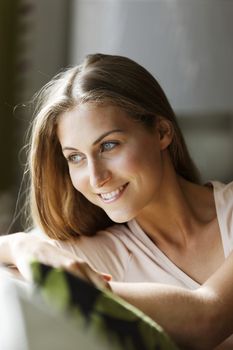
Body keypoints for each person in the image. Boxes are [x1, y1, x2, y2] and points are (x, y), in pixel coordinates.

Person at [0, 53, 232, 349]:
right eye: (76, 157)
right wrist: (20, 244)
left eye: (108, 145)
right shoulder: (98, 253)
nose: (96, 177)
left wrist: (86, 290)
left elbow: (207, 318)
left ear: (161, 132)